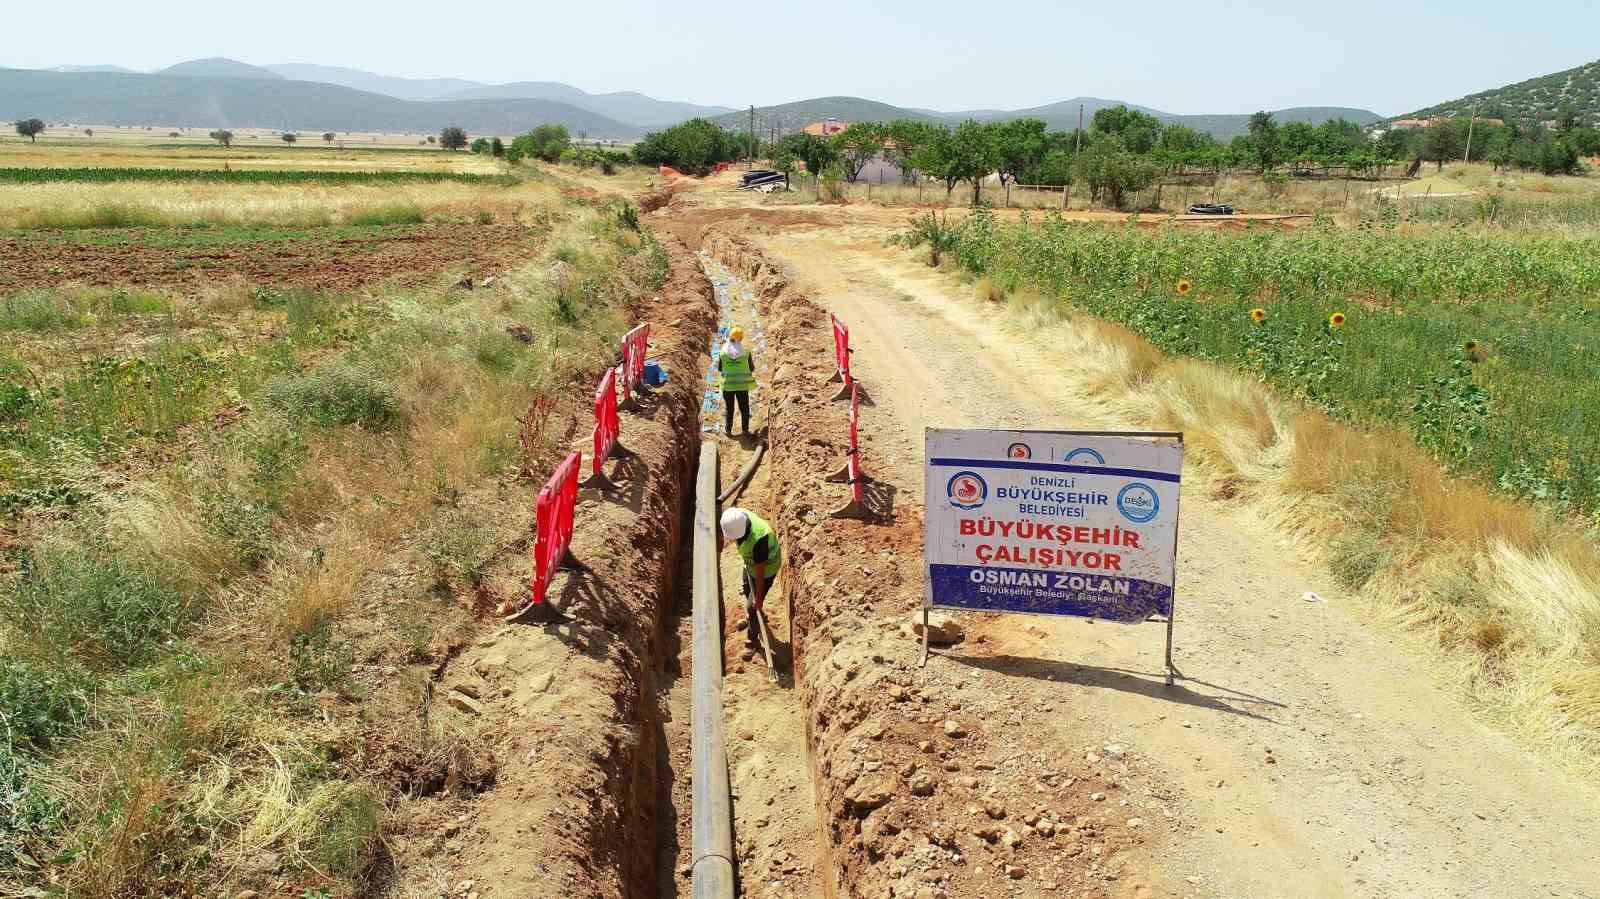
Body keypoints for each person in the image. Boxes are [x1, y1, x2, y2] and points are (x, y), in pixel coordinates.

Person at [719, 506, 782, 646]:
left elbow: (760, 573)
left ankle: (753, 640)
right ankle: (758, 615)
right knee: (747, 587)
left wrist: (759, 598)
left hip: (766, 569)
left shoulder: (760, 540)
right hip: (751, 564)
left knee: (752, 607)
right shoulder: (736, 516)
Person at [717, 326, 755, 435]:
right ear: (741, 339)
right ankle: (745, 430)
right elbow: (752, 368)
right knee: (744, 408)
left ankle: (728, 430)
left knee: (729, 409)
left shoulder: (723, 352)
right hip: (742, 385)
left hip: (728, 385)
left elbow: (720, 368)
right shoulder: (746, 352)